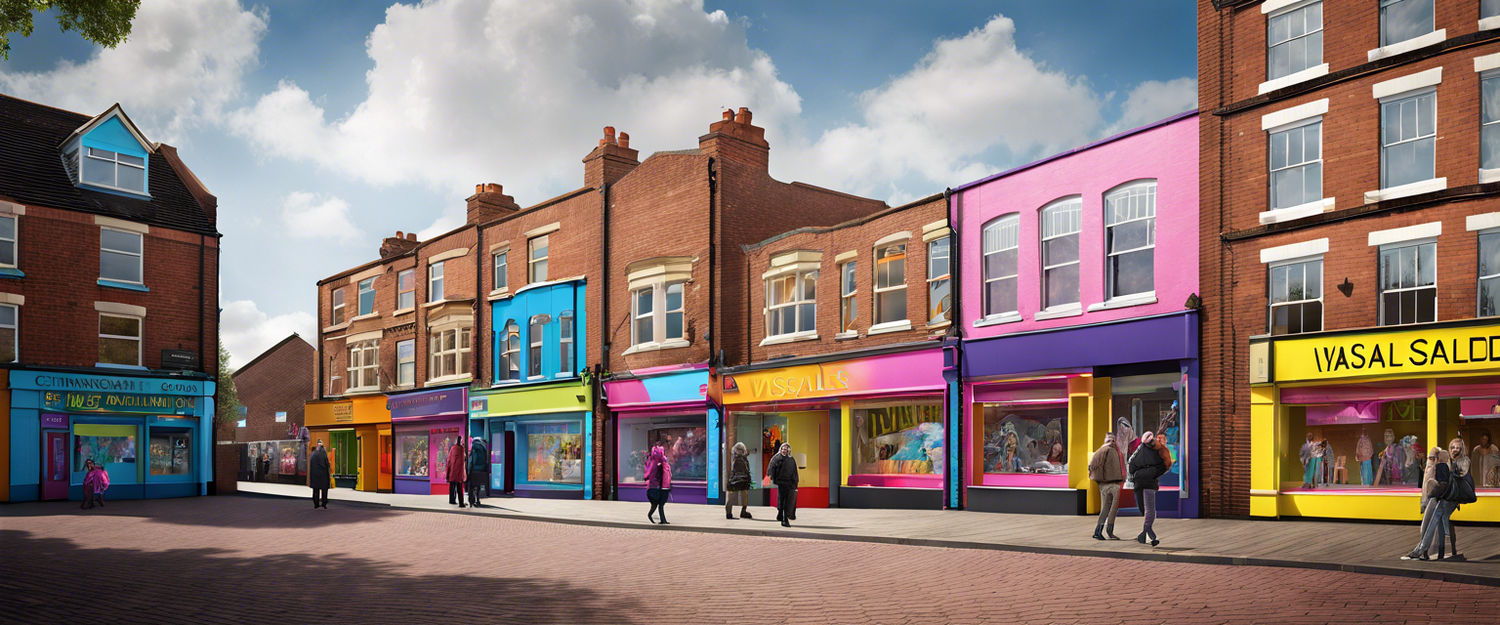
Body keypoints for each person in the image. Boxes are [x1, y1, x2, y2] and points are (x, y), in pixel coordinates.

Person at [1405, 447, 1452, 561]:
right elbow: (1425, 489)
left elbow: (1439, 486)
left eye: (1433, 458)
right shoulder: (1431, 469)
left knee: (1429, 525)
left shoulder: (1440, 468)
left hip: (1437, 499)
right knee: (1427, 526)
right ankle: (1422, 550)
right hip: (1432, 499)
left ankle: (1421, 550)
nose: (1430, 461)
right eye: (1429, 458)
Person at [1128, 431, 1170, 546]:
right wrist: (1155, 473)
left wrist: (1135, 476)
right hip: (1148, 482)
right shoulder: (1157, 452)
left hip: (1139, 482)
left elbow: (1131, 464)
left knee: (1144, 509)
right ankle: (1150, 535)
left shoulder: (1139, 451)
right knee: (1150, 511)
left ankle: (1145, 535)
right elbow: (1165, 465)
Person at [1088, 432, 1126, 540]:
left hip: (1103, 483)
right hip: (1112, 483)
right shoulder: (1112, 450)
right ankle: (1109, 531)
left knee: (1105, 508)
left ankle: (1098, 530)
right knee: (1112, 508)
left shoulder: (1101, 450)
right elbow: (1115, 468)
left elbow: (1091, 466)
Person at [767, 443, 799, 527]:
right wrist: (773, 478)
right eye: (783, 449)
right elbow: (771, 468)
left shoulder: (791, 460)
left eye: (786, 449)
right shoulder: (777, 458)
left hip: (788, 482)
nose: (784, 451)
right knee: (783, 499)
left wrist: (795, 482)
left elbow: (794, 471)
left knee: (784, 499)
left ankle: (781, 514)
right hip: (781, 482)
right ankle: (784, 519)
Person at [644, 443, 672, 524]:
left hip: (662, 487)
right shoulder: (656, 464)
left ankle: (661, 519)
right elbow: (653, 476)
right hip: (658, 487)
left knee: (659, 504)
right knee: (658, 504)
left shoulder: (662, 463)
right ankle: (660, 519)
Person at [726, 442, 753, 520]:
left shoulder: (743, 459)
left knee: (744, 497)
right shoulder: (736, 459)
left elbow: (747, 470)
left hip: (742, 480)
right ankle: (729, 513)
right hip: (735, 480)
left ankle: (743, 511)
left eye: (741, 450)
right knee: (731, 497)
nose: (740, 451)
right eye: (738, 450)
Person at [467, 437, 490, 507]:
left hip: (474, 469)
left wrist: (468, 469)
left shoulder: (474, 447)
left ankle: (471, 500)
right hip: (481, 469)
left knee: (471, 486)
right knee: (478, 485)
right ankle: (478, 499)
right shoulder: (484, 448)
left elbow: (471, 460)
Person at [309, 440, 331, 509]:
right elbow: (327, 464)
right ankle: (324, 503)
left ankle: (316, 504)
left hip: (315, 475)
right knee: (324, 489)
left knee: (316, 490)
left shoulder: (313, 454)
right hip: (323, 475)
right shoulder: (324, 454)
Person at [445, 440, 468, 508]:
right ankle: (461, 502)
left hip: (452, 471)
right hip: (459, 472)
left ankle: (452, 500)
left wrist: (448, 472)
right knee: (459, 487)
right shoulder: (462, 450)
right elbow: (464, 462)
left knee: (452, 485)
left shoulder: (452, 449)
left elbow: (448, 461)